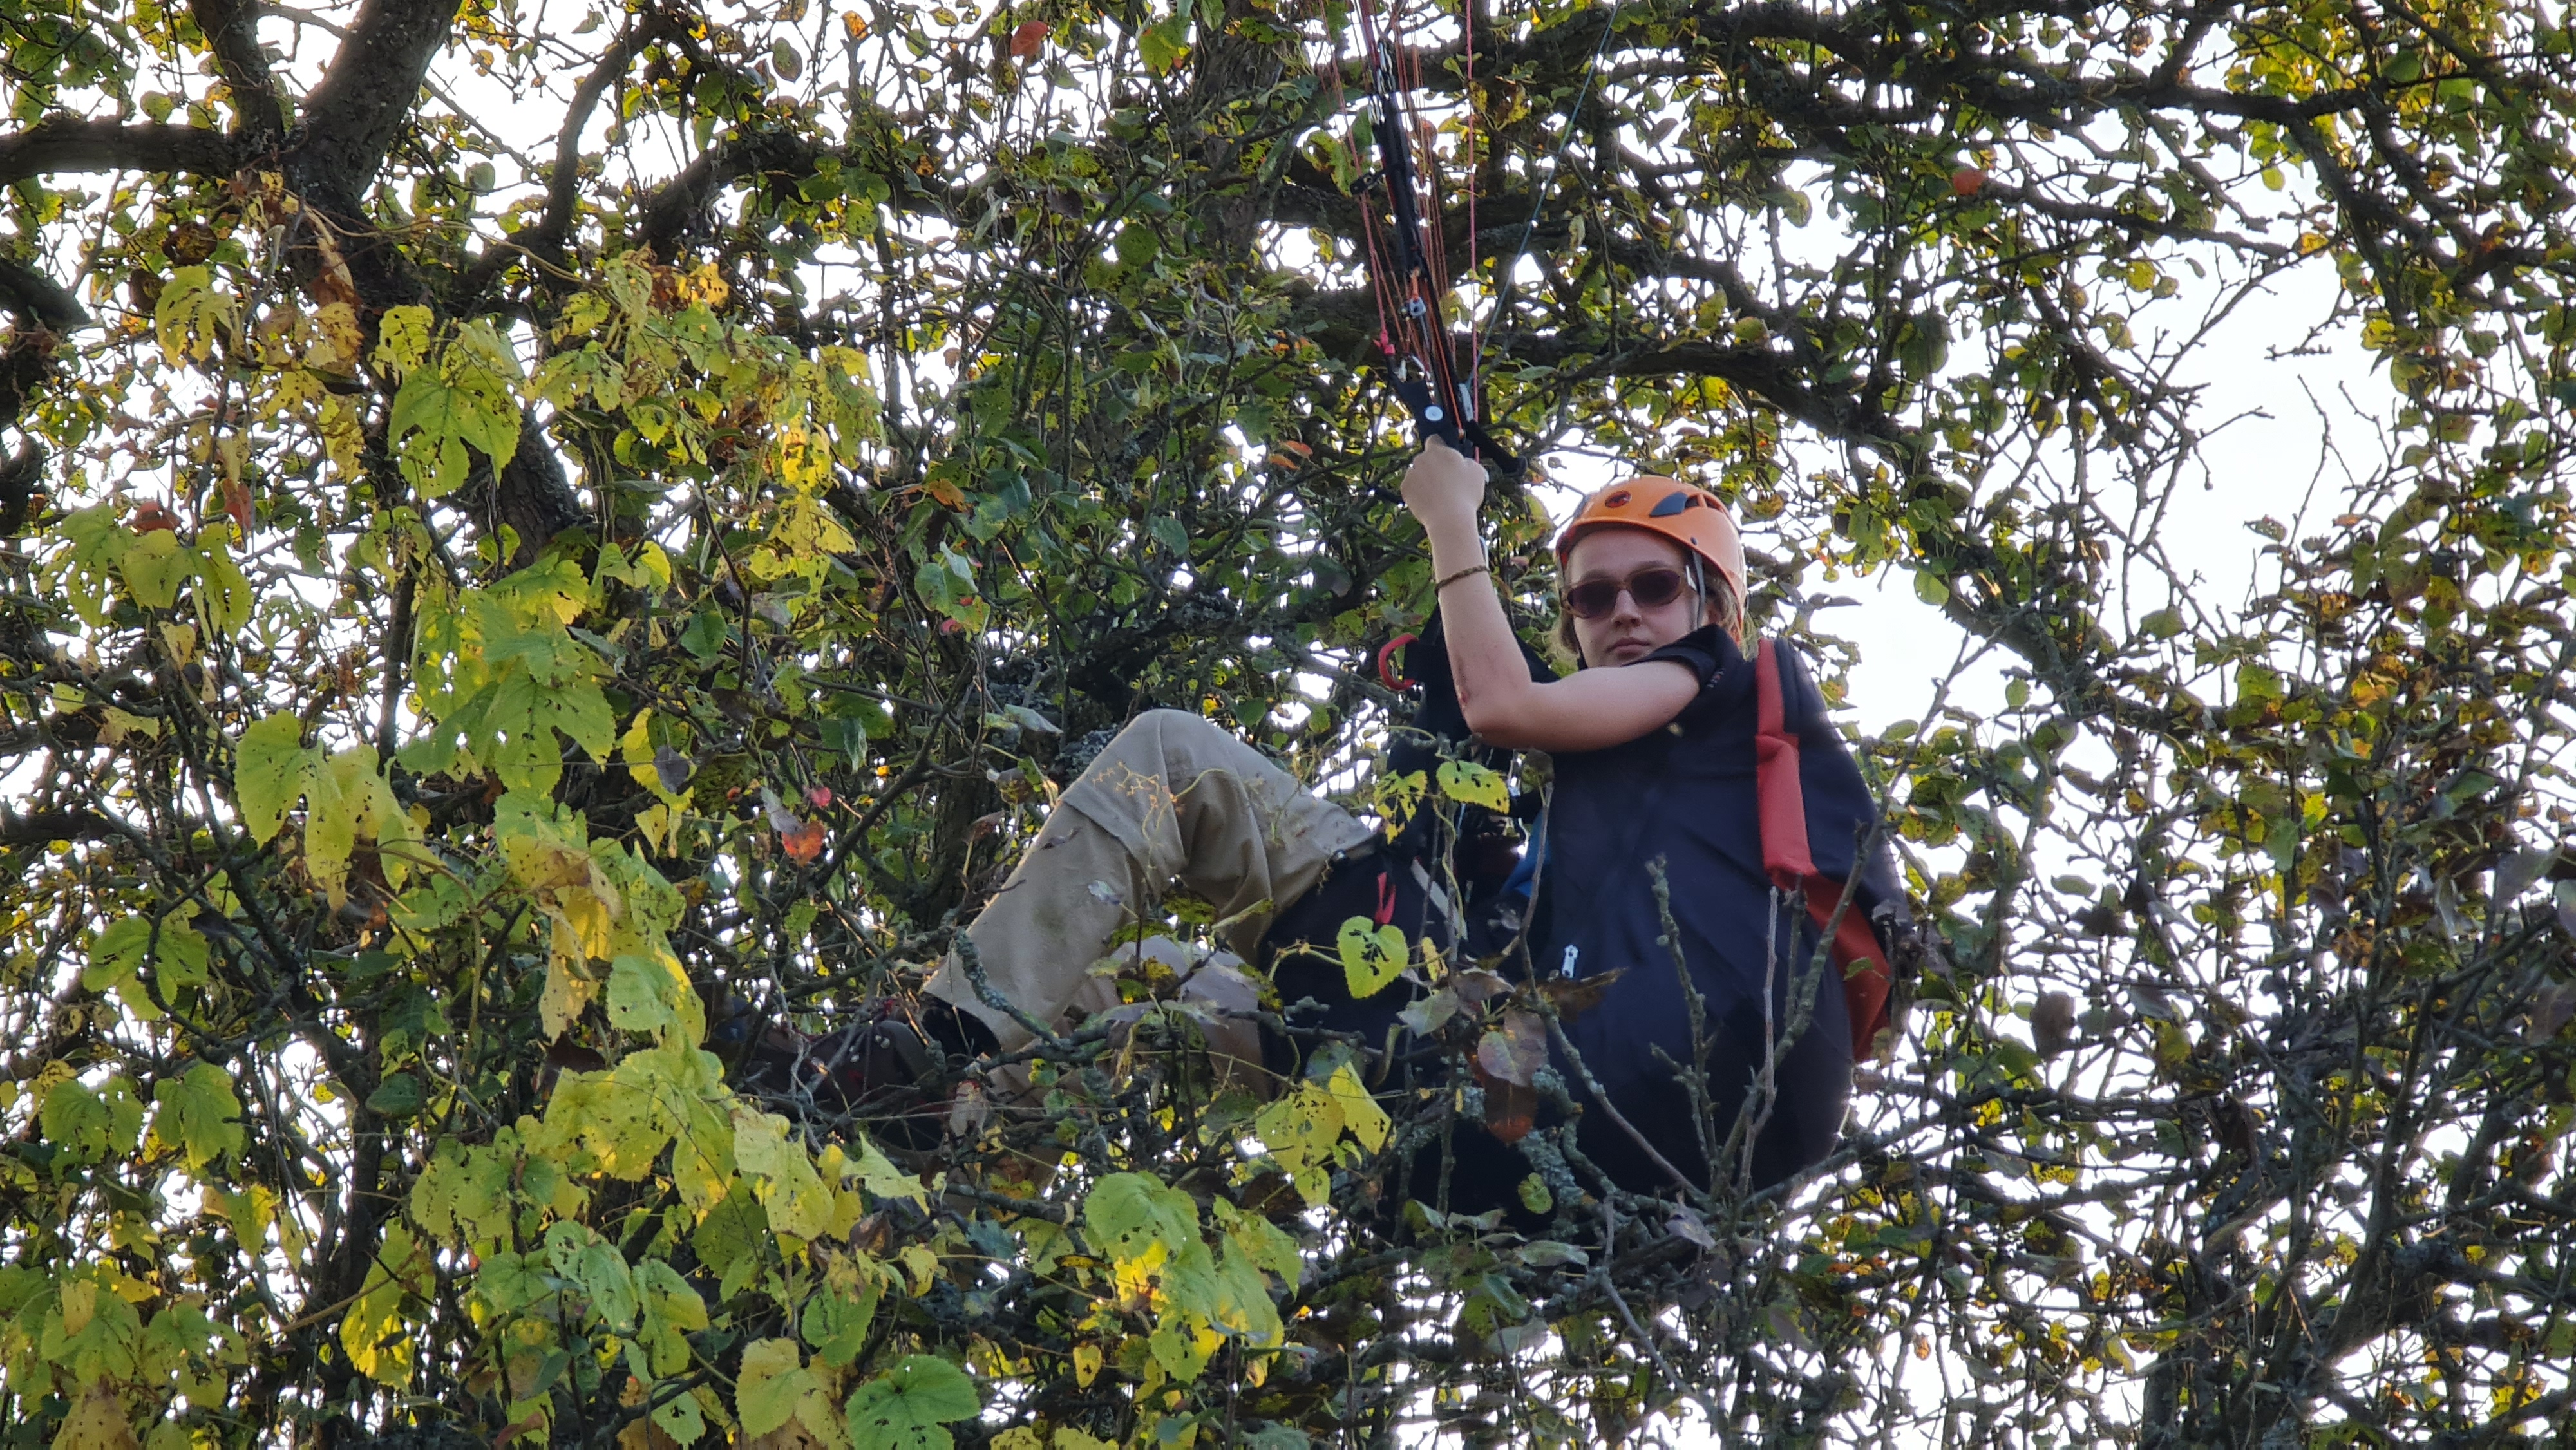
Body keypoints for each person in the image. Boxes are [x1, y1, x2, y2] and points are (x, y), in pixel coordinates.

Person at [743, 438, 1913, 1208]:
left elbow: (1511, 705)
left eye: (1653, 588)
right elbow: (1494, 869)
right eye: (1592, 598)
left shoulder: (1712, 679)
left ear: (1712, 602)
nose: (1623, 617)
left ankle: (916, 1062)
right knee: (1139, 989)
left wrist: (1452, 519)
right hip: (1479, 1126)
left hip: (1507, 1078)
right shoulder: (1626, 862)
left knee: (1171, 754)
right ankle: (919, 1179)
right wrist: (1441, 761)